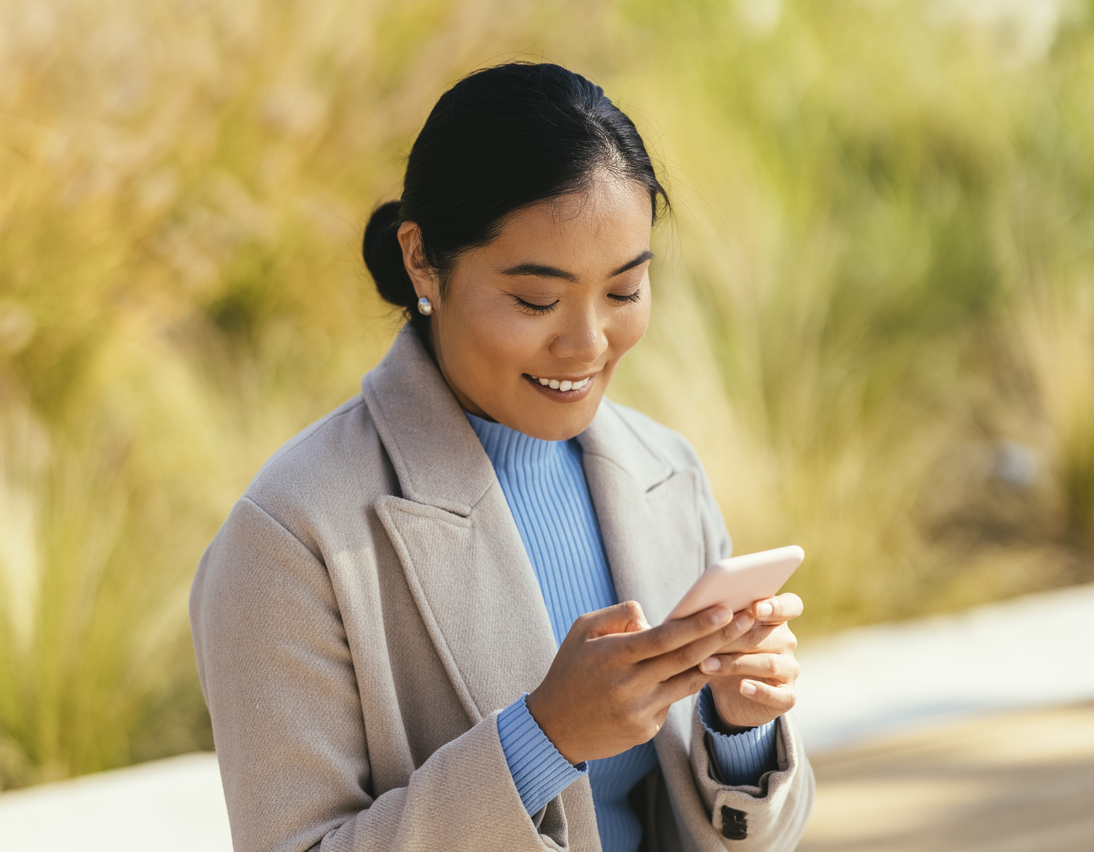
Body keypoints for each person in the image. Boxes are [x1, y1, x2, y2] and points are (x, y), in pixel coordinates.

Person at [189, 62, 815, 852]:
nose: (587, 344)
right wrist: (542, 739)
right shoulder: (290, 535)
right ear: (422, 261)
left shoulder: (666, 473)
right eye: (536, 300)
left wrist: (738, 732)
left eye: (624, 292)